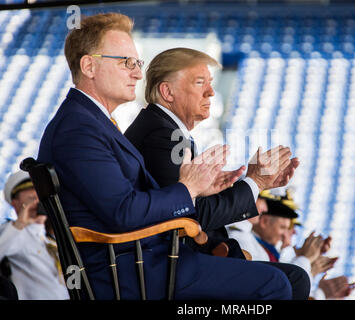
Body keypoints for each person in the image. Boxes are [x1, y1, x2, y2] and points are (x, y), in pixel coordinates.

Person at [37, 12, 295, 300]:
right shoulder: (78, 130)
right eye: (127, 63)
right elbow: (123, 212)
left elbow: (130, 203)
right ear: (89, 66)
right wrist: (188, 190)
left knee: (282, 280)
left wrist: (198, 188)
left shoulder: (89, 123)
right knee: (275, 285)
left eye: (138, 64)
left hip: (144, 261)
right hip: (133, 272)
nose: (136, 73)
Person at [124, 47, 310, 299]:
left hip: (174, 256)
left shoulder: (164, 130)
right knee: (284, 281)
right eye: (200, 83)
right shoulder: (166, 135)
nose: (211, 91)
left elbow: (189, 206)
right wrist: (254, 183)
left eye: (210, 83)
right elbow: (192, 214)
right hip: (166, 266)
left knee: (294, 279)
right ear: (167, 92)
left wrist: (254, 184)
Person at [0, 170, 69, 300]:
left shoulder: (52, 240)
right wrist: (20, 223)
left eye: (41, 198)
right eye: (32, 199)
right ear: (15, 204)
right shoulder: (12, 233)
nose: (39, 203)